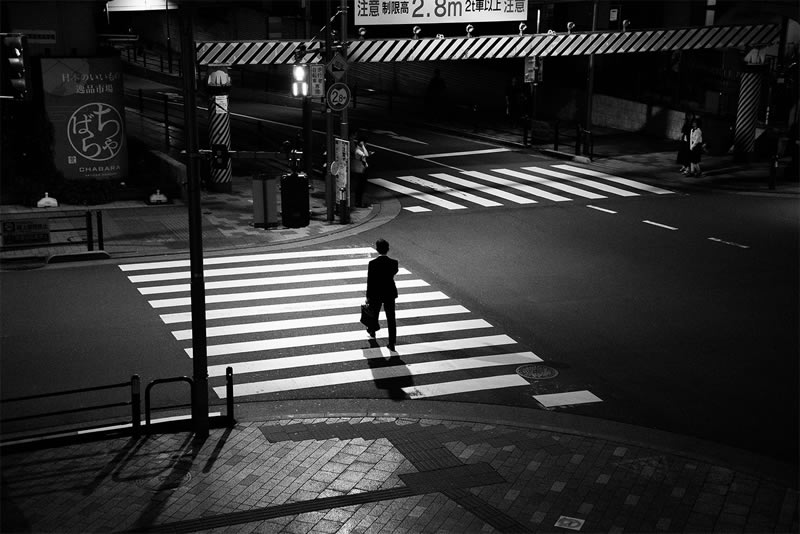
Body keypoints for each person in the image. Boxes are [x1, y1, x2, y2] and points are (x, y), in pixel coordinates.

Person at [366, 238, 398, 351]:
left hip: (376, 292)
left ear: (377, 249)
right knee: (391, 318)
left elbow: (370, 281)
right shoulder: (394, 263)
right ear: (388, 249)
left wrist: (368, 297)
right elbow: (393, 274)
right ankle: (392, 342)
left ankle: (372, 331)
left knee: (374, 313)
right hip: (389, 292)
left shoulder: (372, 264)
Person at [351, 131, 370, 208]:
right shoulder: (358, 150)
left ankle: (359, 202)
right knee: (360, 188)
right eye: (365, 143)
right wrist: (363, 146)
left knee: (361, 188)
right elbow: (366, 155)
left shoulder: (359, 149)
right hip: (359, 171)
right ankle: (358, 203)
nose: (366, 145)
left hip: (362, 170)